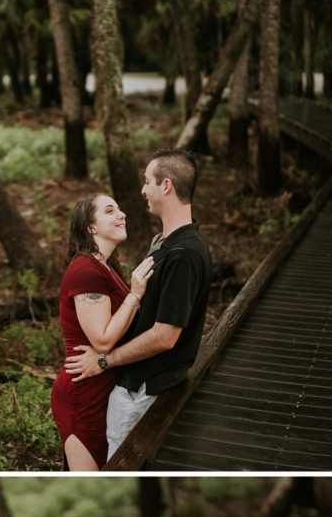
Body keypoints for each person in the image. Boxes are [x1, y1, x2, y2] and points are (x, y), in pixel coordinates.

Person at [64, 150, 212, 463]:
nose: (143, 190)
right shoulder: (164, 244)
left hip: (140, 390)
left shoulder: (183, 253)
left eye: (147, 182)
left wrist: (105, 362)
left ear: (167, 186)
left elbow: (164, 336)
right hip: (126, 388)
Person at [51, 194, 155, 471]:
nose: (121, 214)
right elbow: (103, 339)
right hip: (82, 395)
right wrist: (136, 294)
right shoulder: (85, 271)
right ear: (91, 227)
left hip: (103, 389)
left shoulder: (104, 268)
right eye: (110, 211)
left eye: (120, 209)